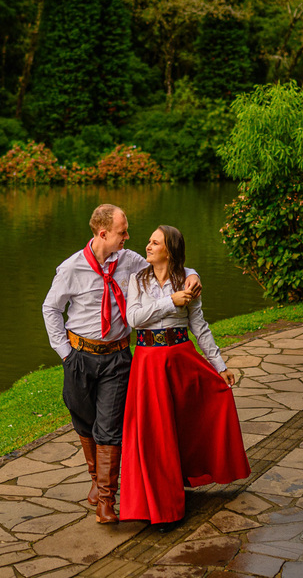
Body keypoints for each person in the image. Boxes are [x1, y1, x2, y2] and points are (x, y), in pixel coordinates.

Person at [42, 204, 201, 524]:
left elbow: (166, 267)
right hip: (79, 357)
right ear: (103, 234)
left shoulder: (131, 262)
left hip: (117, 357)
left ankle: (106, 500)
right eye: (123, 232)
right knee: (84, 422)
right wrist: (65, 353)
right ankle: (95, 479)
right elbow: (50, 309)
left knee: (109, 427)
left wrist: (193, 274)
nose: (129, 237)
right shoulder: (71, 268)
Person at [119, 224, 250, 529]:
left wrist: (220, 366)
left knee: (186, 422)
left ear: (170, 250)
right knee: (154, 434)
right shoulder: (138, 280)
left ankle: (182, 481)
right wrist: (170, 302)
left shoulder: (189, 279)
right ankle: (162, 507)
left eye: (155, 242)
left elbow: (199, 326)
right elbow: (133, 319)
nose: (148, 246)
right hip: (149, 363)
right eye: (149, 241)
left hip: (180, 358)